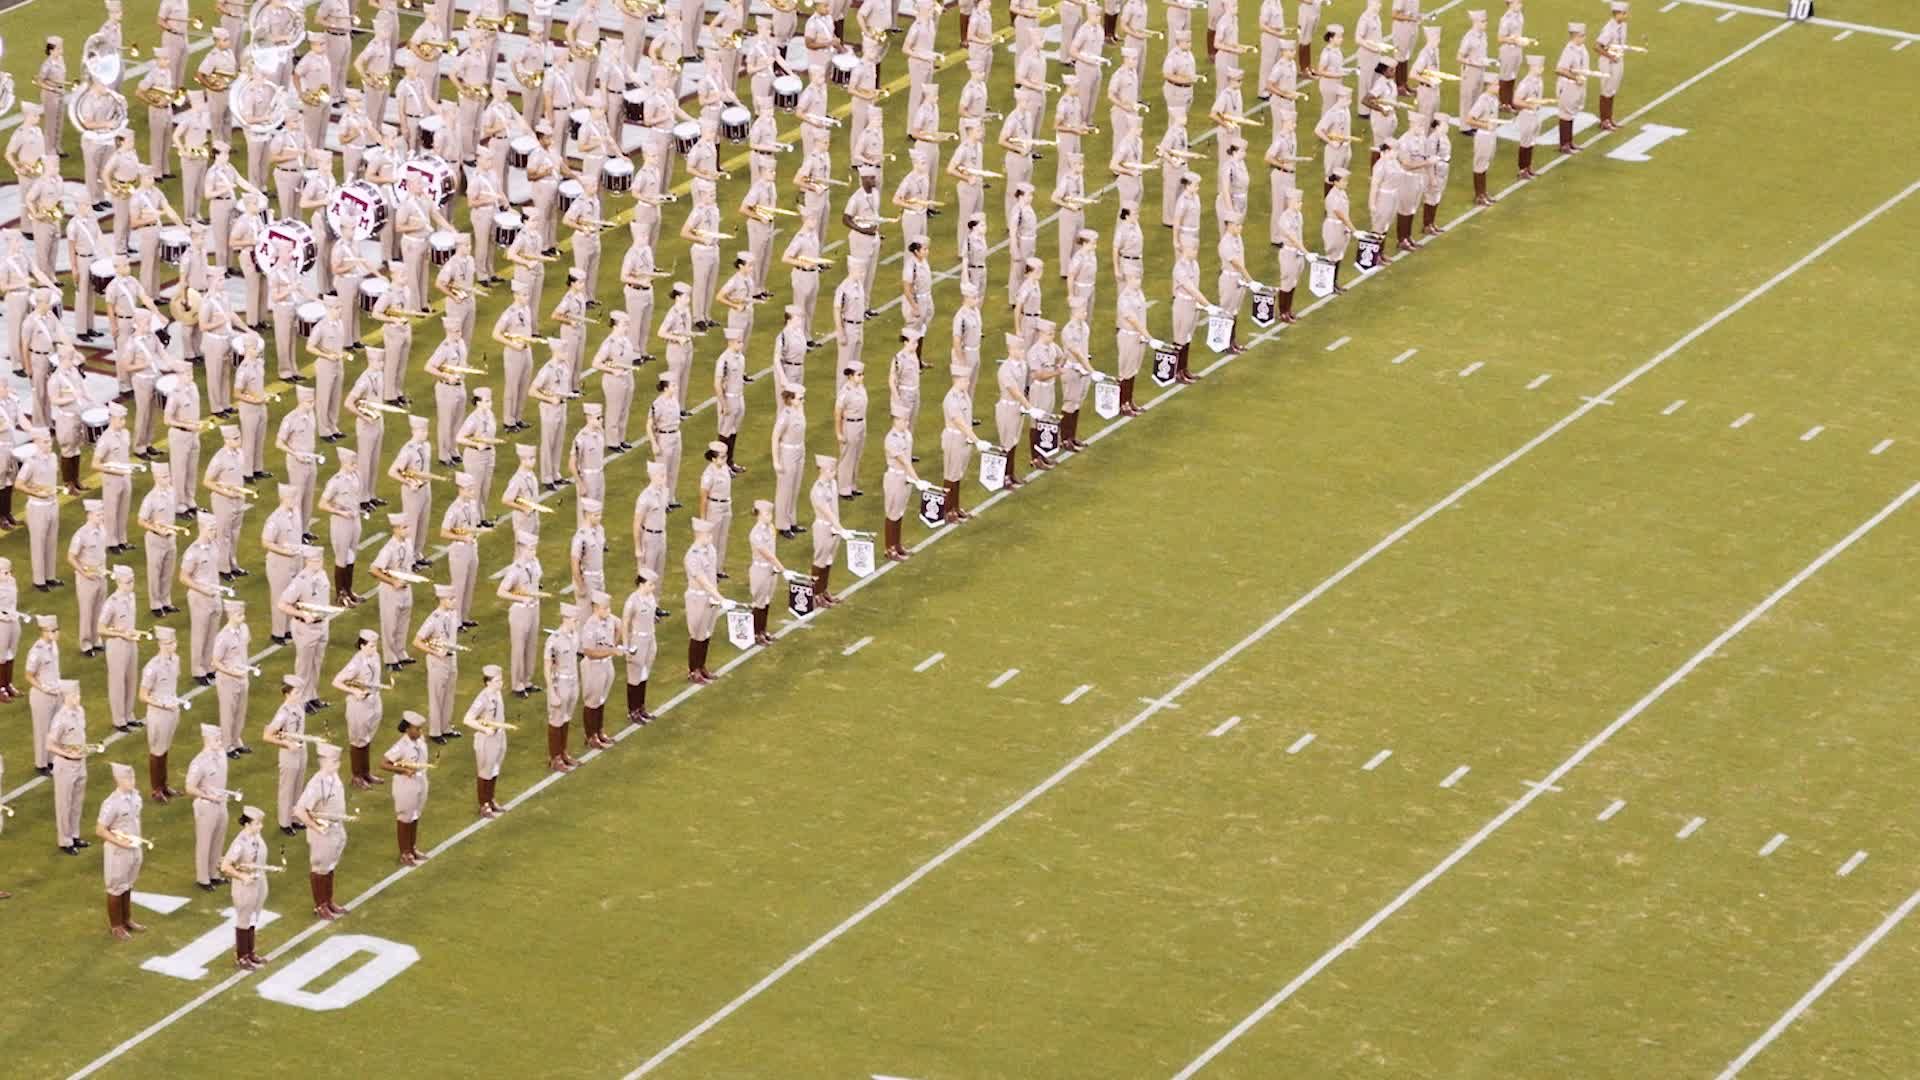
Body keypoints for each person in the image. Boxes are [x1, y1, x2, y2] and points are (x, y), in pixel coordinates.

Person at [292, 743, 350, 919]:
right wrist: (316, 827)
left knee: (330, 866)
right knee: (320, 868)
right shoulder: (317, 783)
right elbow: (299, 810)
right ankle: (320, 905)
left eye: (337, 760)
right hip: (323, 832)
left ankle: (328, 901)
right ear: (322, 761)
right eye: (333, 760)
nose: (337, 764)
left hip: (336, 827)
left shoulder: (333, 777)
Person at [97, 762, 147, 940]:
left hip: (134, 846)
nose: (132, 781)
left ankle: (127, 919)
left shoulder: (135, 797)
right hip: (118, 852)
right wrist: (119, 841)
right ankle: (116, 925)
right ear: (118, 780)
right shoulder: (111, 803)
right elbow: (100, 830)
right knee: (116, 888)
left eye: (132, 777)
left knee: (129, 884)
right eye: (127, 778)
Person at [218, 805, 272, 968]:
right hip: (245, 886)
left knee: (254, 918)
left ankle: (251, 952)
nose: (260, 826)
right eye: (257, 823)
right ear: (247, 824)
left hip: (259, 881)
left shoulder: (256, 837)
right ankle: (242, 956)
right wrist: (242, 876)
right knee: (244, 919)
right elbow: (225, 866)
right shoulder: (239, 843)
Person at [333, 629, 387, 788]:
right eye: (371, 646)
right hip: (359, 706)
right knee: (358, 740)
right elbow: (336, 681)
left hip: (374, 700)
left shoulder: (375, 656)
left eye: (375, 645)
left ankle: (366, 773)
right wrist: (354, 691)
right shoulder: (356, 663)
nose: (374, 649)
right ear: (362, 646)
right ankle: (357, 776)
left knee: (367, 738)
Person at [184, 723, 233, 890]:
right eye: (216, 739)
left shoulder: (221, 755)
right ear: (207, 740)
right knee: (205, 843)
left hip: (221, 804)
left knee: (218, 841)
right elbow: (189, 788)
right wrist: (207, 796)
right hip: (206, 806)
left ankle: (214, 874)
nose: (220, 742)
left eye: (220, 739)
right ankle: (203, 879)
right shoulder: (199, 762)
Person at [262, 675, 310, 834]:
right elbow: (267, 736)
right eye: (296, 693)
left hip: (301, 749)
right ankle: (285, 823)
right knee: (287, 789)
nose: (300, 696)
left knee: (298, 786)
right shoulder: (282, 713)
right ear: (287, 694)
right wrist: (287, 744)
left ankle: (295, 818)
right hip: (289, 753)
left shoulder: (299, 705)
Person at [381, 711, 431, 865]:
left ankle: (412, 848)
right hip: (405, 785)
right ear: (408, 729)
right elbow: (383, 763)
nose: (420, 731)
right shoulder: (401, 746)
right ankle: (405, 852)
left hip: (421, 781)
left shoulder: (420, 741)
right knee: (405, 818)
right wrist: (403, 770)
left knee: (415, 816)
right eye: (417, 728)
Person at [414, 584, 462, 742]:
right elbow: (417, 641)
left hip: (452, 659)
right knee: (436, 697)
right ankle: (435, 732)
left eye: (454, 598)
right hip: (437, 662)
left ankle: (446, 727)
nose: (454, 601)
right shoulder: (433, 619)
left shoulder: (452, 614)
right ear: (442, 600)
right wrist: (435, 652)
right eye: (451, 598)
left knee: (449, 695)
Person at [48, 680, 92, 854]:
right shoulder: (60, 719)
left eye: (78, 694)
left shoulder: (80, 712)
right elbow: (50, 745)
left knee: (77, 802)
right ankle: (65, 841)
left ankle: (74, 835)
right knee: (64, 804)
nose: (78, 697)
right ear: (66, 697)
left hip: (80, 763)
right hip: (65, 765)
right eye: (74, 695)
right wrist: (67, 753)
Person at [684, 519, 727, 683]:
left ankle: (701, 666)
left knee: (707, 632)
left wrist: (716, 597)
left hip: (710, 596)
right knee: (697, 634)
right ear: (701, 534)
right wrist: (720, 598)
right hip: (698, 597)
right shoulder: (692, 555)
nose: (711, 537)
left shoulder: (710, 549)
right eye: (709, 534)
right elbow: (702, 580)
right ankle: (693, 670)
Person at [463, 665, 509, 816]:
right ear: (488, 682)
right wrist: (484, 729)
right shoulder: (483, 698)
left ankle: (490, 799)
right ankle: (484, 805)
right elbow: (467, 719)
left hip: (500, 736)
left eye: (501, 680)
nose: (500, 683)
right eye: (497, 681)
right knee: (485, 772)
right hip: (487, 739)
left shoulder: (497, 693)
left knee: (495, 769)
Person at [210, 601, 254, 755]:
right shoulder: (223, 637)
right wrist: (232, 672)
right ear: (229, 614)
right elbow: (215, 662)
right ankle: (227, 746)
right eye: (238, 613)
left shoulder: (244, 629)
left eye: (243, 612)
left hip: (243, 677)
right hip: (228, 680)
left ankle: (236, 741)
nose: (242, 615)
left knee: (240, 712)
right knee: (228, 714)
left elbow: (244, 647)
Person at [544, 602, 581, 772]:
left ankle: (563, 752)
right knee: (556, 719)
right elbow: (547, 667)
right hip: (560, 683)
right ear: (566, 619)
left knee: (566, 717)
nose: (577, 623)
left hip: (573, 681)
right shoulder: (554, 640)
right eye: (574, 620)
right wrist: (552, 691)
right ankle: (555, 758)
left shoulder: (574, 636)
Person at [579, 590, 619, 747]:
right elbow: (589, 652)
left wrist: (613, 645)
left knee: (601, 699)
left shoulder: (609, 619)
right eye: (605, 608)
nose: (608, 611)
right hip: (593, 667)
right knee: (592, 701)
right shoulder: (590, 626)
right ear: (596, 608)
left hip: (607, 663)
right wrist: (611, 650)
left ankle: (599, 731)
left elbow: (620, 625)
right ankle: (590, 736)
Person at [621, 571, 659, 724]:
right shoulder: (632, 601)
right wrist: (626, 647)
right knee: (634, 677)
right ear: (642, 584)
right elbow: (625, 623)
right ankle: (632, 711)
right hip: (638, 640)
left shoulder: (650, 597)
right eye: (650, 584)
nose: (653, 587)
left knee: (644, 674)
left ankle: (641, 707)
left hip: (650, 638)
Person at [26, 615, 63, 777]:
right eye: (53, 631)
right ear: (44, 631)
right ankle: (40, 764)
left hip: (56, 692)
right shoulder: (37, 651)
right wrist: (43, 688)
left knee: (54, 729)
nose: (56, 633)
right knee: (42, 730)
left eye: (57, 629)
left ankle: (51, 760)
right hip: (42, 696)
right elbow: (28, 675)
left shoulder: (53, 645)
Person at [1595, 2, 1630, 132]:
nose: (1626, 16)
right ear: (1617, 14)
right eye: (1624, 13)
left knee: (1613, 90)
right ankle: (1604, 120)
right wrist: (1611, 56)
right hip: (1608, 62)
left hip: (1618, 60)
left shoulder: (1623, 26)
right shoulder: (1609, 28)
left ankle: (1609, 118)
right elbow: (1597, 46)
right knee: (1606, 90)